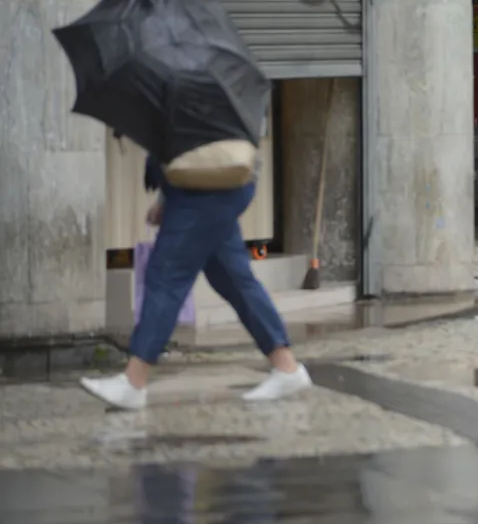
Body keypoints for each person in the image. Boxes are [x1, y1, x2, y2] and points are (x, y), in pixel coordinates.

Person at [81, 156, 312, 410]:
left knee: (165, 278)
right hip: (217, 186)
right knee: (231, 276)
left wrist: (167, 195)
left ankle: (134, 381)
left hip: (202, 193)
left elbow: (192, 143)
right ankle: (286, 366)